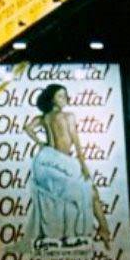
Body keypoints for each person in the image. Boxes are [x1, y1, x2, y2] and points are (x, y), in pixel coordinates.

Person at [24, 83, 111, 250]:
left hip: (46, 159)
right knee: (90, 192)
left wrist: (41, 143)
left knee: (68, 196)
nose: (65, 99)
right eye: (60, 96)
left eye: (65, 95)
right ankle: (102, 229)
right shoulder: (68, 116)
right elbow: (76, 141)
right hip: (62, 161)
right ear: (52, 99)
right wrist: (83, 164)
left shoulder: (44, 118)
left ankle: (100, 229)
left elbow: (27, 128)